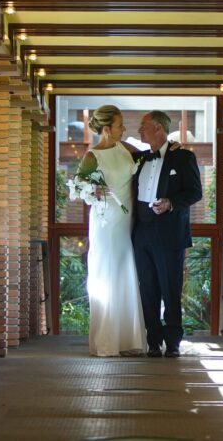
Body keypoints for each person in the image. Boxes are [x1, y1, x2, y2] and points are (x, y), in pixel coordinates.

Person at [75, 105, 145, 356]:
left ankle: (129, 340)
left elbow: (151, 157)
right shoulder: (93, 156)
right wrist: (91, 191)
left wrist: (175, 149)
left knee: (126, 272)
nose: (123, 129)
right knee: (107, 274)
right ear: (106, 129)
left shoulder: (125, 148)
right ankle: (107, 342)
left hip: (127, 221)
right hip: (106, 222)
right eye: (119, 125)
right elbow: (78, 187)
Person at [132, 111, 203, 358]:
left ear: (159, 128)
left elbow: (195, 192)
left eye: (144, 126)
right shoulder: (139, 158)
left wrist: (171, 202)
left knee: (170, 288)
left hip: (170, 233)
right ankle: (153, 341)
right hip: (141, 233)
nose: (140, 131)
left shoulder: (183, 157)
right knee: (147, 289)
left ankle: (173, 341)